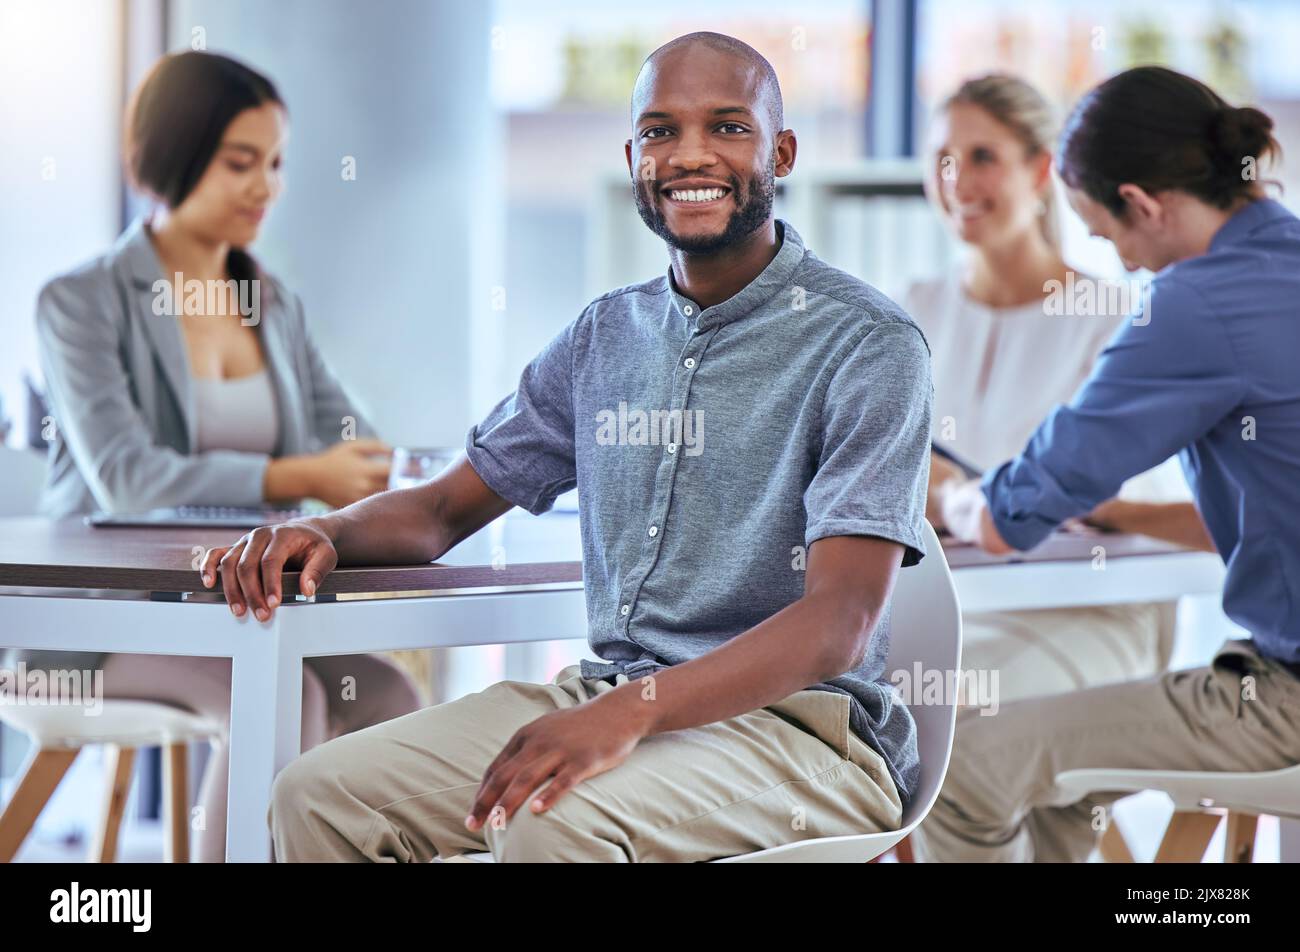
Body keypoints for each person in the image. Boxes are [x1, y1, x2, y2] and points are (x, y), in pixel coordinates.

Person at [202, 32, 935, 863]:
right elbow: (442, 509)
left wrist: (634, 711)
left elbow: (839, 621)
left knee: (550, 818)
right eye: (660, 132)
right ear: (633, 158)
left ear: (782, 151)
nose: (690, 154)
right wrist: (329, 531)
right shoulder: (603, 338)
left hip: (807, 736)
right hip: (614, 699)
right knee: (321, 795)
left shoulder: (867, 342)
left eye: (728, 127)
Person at [8, 51, 421, 862]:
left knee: (392, 697)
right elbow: (127, 477)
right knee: (279, 692)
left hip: (240, 608)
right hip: (88, 632)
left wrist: (383, 470)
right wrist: (299, 479)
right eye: (241, 162)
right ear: (174, 155)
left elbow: (351, 441)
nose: (265, 186)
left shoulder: (271, 304)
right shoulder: (79, 302)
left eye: (274, 163)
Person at [915, 66, 1300, 862]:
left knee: (953, 769)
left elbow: (1007, 516)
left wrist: (949, 494)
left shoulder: (1193, 305)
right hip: (1266, 666)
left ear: (1145, 204)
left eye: (1107, 233)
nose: (1121, 261)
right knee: (1065, 781)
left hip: (1280, 699)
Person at [907, 73, 1197, 708]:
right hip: (951, 608)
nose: (958, 181)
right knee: (848, 706)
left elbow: (1088, 498)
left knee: (936, 714)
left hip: (1092, 610)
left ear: (1041, 170)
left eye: (983, 157)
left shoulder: (1115, 316)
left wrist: (952, 494)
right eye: (943, 160)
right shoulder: (911, 311)